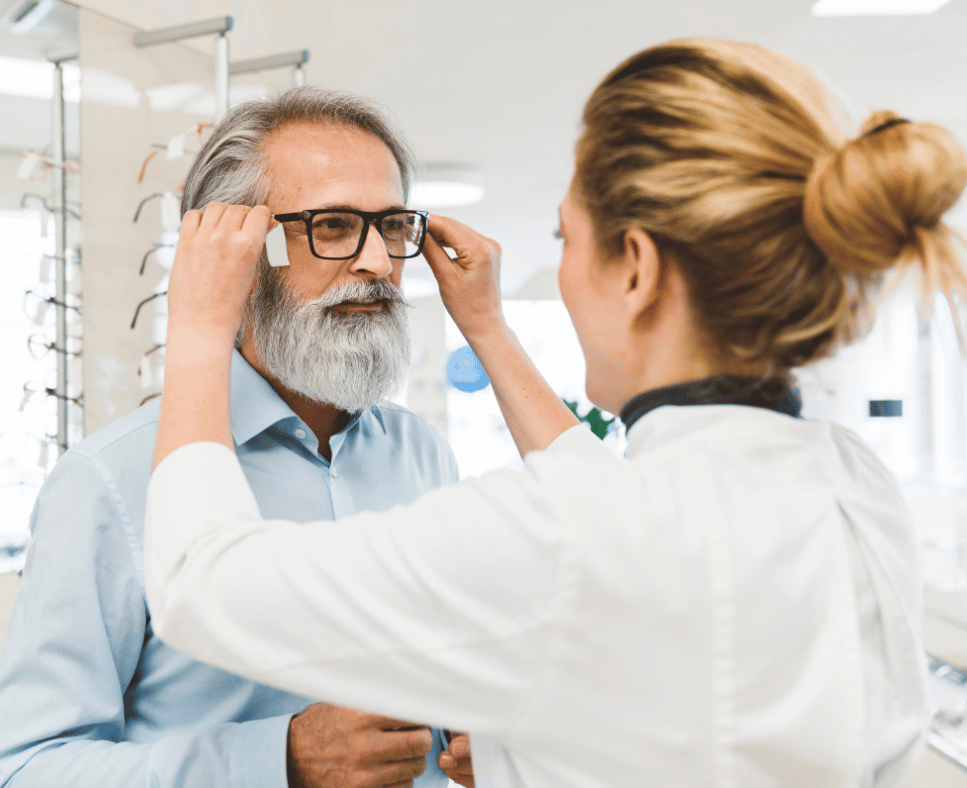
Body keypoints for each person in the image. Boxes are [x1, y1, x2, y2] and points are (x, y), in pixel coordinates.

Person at [142, 39, 967, 788]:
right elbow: (614, 521)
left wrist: (197, 328)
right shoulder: (853, 483)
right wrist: (491, 330)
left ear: (636, 268)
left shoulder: (562, 534)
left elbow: (195, 583)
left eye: (565, 241)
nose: (371, 257)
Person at [0, 87, 466, 788]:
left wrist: (475, 729)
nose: (378, 264)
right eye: (331, 226)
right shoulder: (110, 481)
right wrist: (277, 761)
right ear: (233, 249)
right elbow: (18, 770)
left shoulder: (422, 454)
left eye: (390, 226)